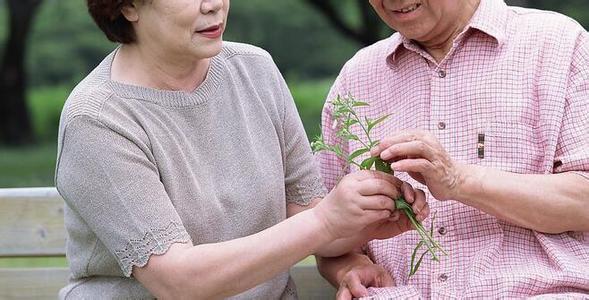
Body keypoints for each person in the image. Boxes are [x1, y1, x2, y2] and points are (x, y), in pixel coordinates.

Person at [55, 0, 430, 299]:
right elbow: (179, 282)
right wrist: (327, 220)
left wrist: (367, 220)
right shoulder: (98, 119)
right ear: (128, 6)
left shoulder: (254, 69)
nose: (214, 5)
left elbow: (307, 214)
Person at [316, 0, 589, 298]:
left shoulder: (559, 44)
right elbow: (323, 229)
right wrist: (350, 268)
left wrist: (460, 180)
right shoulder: (356, 77)